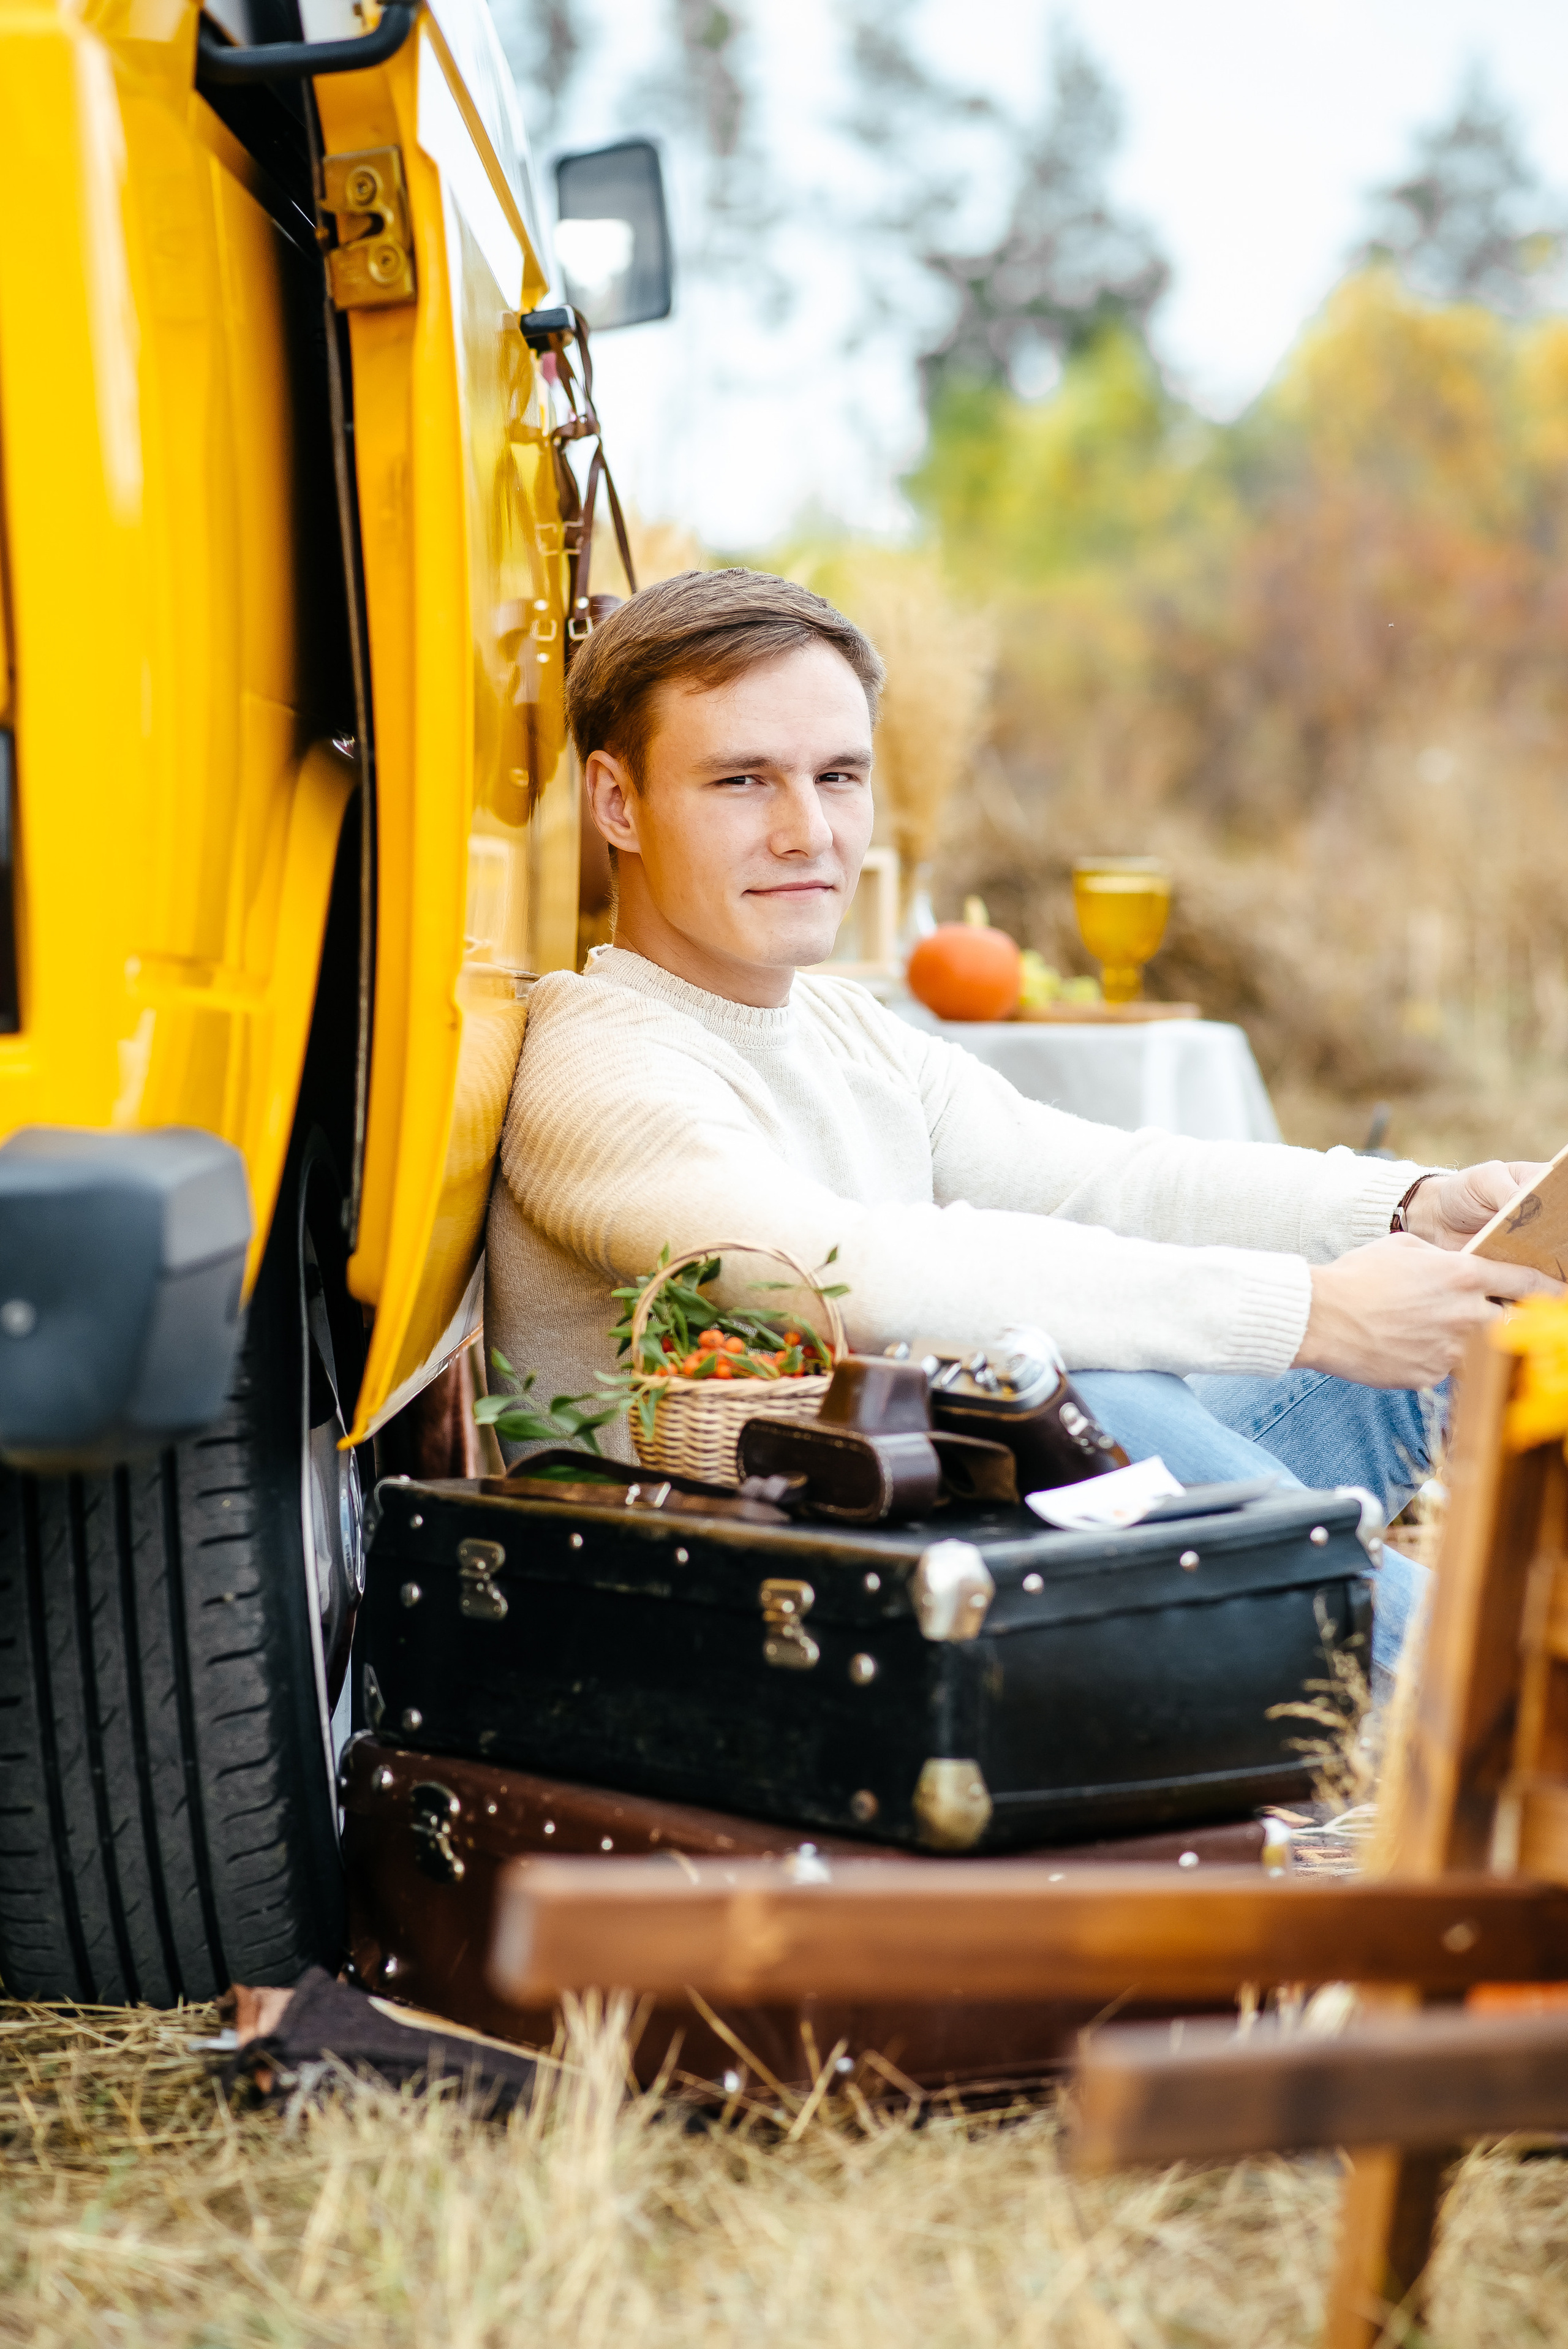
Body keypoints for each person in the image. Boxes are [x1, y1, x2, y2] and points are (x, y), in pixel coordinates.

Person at [484, 569, 1561, 1675]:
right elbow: (858, 1274)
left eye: (839, 776)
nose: (809, 832)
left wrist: (1411, 1205)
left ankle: (1383, 1638)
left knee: (1452, 1295)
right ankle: (1482, 1693)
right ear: (618, 802)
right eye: (742, 780)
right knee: (1100, 1389)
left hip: (949, 1549)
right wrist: (1312, 1311)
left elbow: (1102, 1178)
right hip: (787, 1630)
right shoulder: (598, 1065)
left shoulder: (839, 1026)